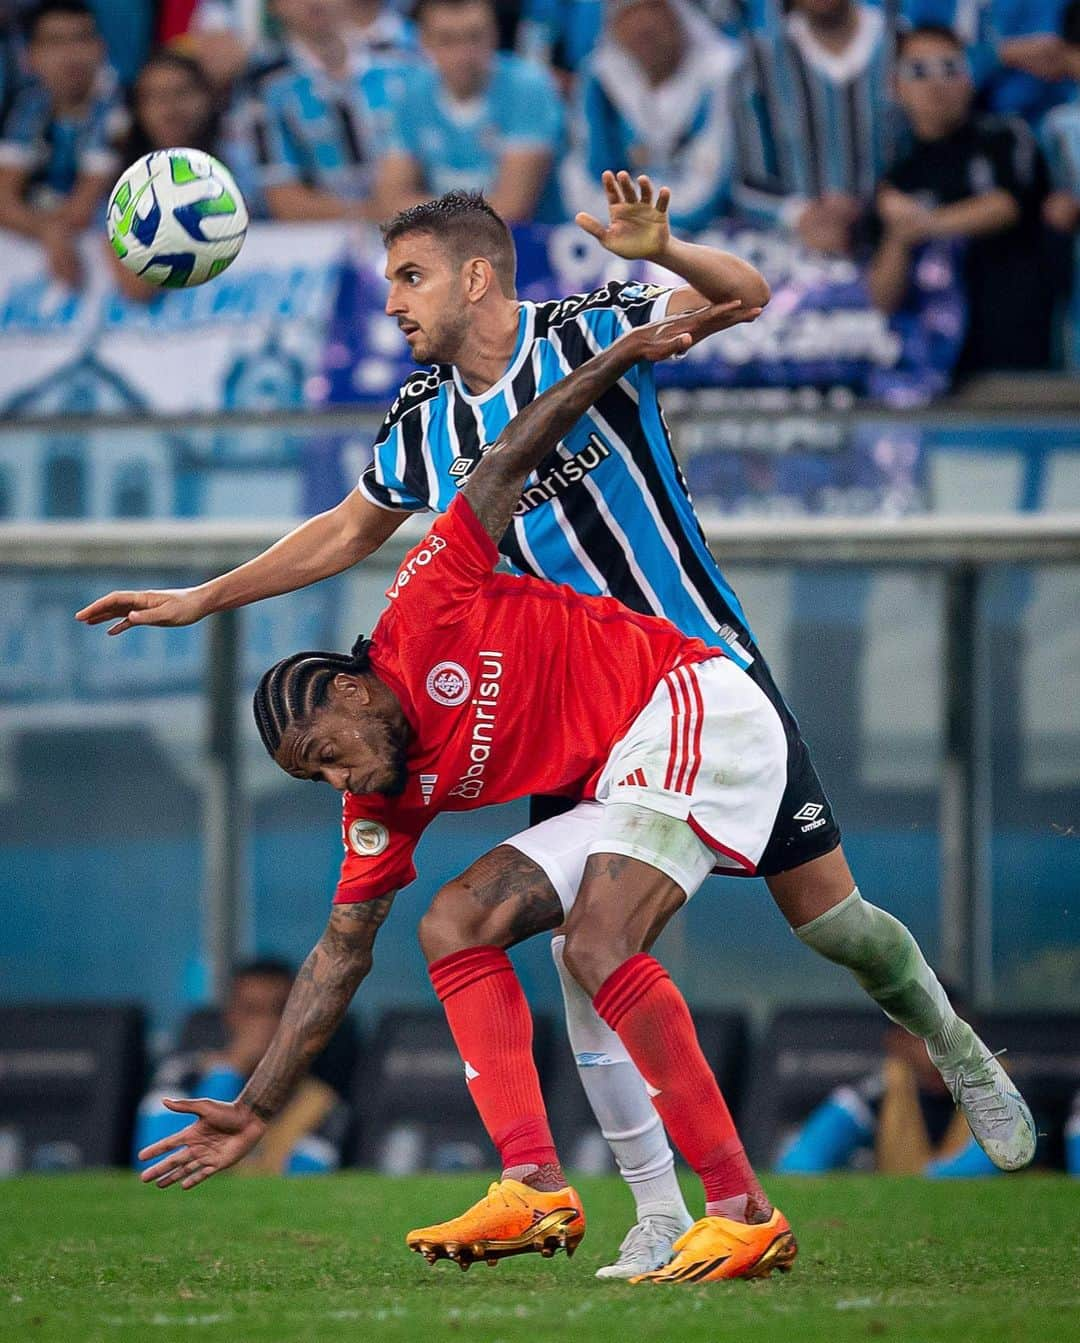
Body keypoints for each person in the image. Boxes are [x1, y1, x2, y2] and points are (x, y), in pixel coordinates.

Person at [77, 180, 1028, 1278]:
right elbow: (346, 528)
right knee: (580, 961)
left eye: (410, 276)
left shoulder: (587, 324)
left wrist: (667, 245)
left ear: (476, 275)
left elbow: (748, 293)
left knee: (833, 922)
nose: (392, 303)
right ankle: (660, 1212)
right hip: (571, 718)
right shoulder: (422, 421)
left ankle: (956, 1050)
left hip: (695, 672)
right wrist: (200, 598)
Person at [867, 24, 1058, 378]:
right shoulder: (896, 177)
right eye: (920, 71)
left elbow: (1009, 205)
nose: (937, 83)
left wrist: (922, 224)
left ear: (969, 78)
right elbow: (882, 298)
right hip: (930, 376)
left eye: (950, 67)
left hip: (1018, 362)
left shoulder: (1005, 137)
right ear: (896, 87)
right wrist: (897, 236)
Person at [134, 959, 348, 1176]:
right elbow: (159, 1163)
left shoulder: (320, 1102)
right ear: (230, 1016)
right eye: (251, 1010)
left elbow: (304, 1180)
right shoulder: (182, 1074)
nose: (265, 1023)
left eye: (279, 1010)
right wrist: (230, 1071)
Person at [732, 0, 897, 253]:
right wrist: (802, 215)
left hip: (898, 248)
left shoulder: (899, 46)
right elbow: (746, 182)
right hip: (795, 257)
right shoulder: (761, 60)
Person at [376, 0, 562, 224]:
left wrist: (419, 208)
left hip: (526, 244)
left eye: (474, 37)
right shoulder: (411, 92)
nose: (463, 55)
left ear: (494, 34)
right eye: (447, 40)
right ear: (424, 42)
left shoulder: (528, 87)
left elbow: (512, 206)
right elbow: (390, 199)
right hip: (442, 244)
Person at [563, 0, 740, 233]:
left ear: (680, 13)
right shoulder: (600, 81)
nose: (643, 25)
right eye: (628, 15)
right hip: (616, 235)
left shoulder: (724, 74)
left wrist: (642, 219)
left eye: (654, 9)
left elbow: (711, 187)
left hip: (708, 234)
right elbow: (583, 180)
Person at [776, 1010, 1001, 1177]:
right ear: (896, 1042)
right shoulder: (878, 1091)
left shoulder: (1004, 1089)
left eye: (954, 1033)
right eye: (927, 1035)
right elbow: (799, 1162)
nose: (943, 1048)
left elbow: (995, 1157)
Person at [0, 0, 127, 287]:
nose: (72, 54)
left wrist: (46, 229)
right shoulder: (28, 106)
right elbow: (3, 199)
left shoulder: (118, 108)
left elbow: (82, 209)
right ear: (31, 55)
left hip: (103, 255)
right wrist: (47, 230)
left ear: (101, 47)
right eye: (56, 42)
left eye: (82, 38)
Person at [247, 0, 405, 223]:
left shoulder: (403, 63)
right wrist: (374, 213)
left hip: (413, 228)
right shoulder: (264, 86)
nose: (313, 2)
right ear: (274, 6)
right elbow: (284, 199)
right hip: (317, 242)